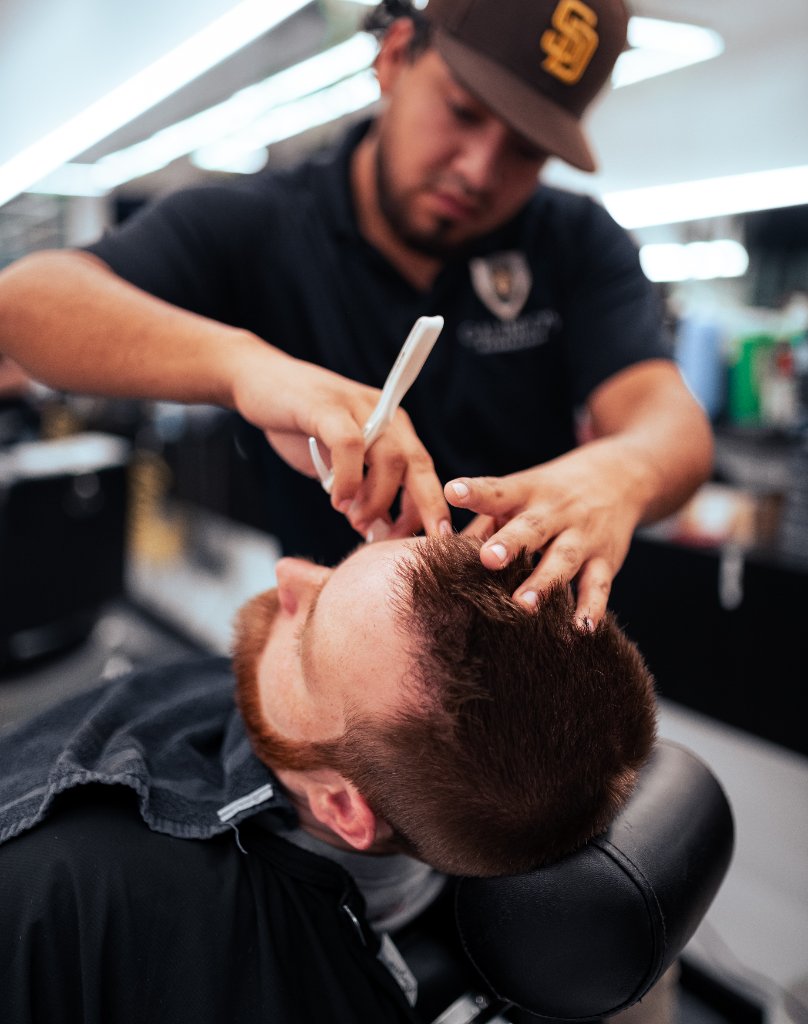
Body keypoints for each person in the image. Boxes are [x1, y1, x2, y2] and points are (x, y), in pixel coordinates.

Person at [0, 0, 714, 628]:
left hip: (528, 670)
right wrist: (248, 370)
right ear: (396, 56)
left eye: (526, 150)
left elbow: (671, 425)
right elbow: (28, 303)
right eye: (463, 111)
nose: (479, 170)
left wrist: (620, 475)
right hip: (348, 668)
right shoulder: (255, 225)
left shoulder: (576, 241)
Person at [0, 534, 657, 1023]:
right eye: (343, 562)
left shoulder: (59, 889)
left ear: (343, 808)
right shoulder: (480, 800)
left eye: (307, 634)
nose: (289, 574)